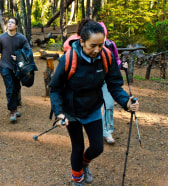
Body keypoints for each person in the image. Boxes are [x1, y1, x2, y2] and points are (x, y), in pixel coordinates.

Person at [49, 19, 139, 185]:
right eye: (93, 45)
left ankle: (84, 164)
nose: (97, 50)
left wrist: (126, 102)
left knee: (98, 147)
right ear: (82, 42)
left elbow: (115, 85)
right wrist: (59, 112)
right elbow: (55, 89)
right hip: (71, 110)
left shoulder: (106, 56)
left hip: (92, 108)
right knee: (78, 147)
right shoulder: (68, 59)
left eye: (101, 44)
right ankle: (78, 180)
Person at [0, 17, 31, 123]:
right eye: (8, 22)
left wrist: (19, 56)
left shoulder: (21, 38)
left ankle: (15, 103)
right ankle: (13, 111)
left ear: (16, 26)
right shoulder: (1, 38)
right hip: (5, 66)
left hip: (18, 68)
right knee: (10, 88)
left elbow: (28, 51)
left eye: (12, 22)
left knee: (16, 87)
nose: (9, 24)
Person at [98, 22, 129, 144]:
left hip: (107, 80)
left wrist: (121, 65)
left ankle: (107, 131)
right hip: (93, 80)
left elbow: (116, 58)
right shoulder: (89, 46)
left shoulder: (111, 45)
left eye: (103, 35)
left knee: (109, 105)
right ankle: (94, 130)